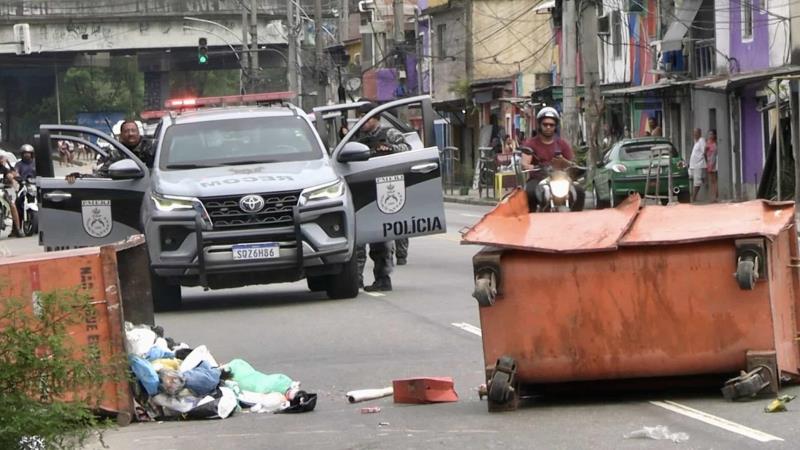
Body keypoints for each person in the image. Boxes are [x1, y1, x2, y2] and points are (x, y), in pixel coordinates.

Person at [354, 102, 411, 291]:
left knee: (382, 239)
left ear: (376, 117)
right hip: (362, 191)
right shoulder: (355, 138)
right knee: (358, 241)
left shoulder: (389, 134)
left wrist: (390, 149)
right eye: (360, 116)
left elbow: (408, 148)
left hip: (385, 190)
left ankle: (383, 279)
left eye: (366, 116)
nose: (362, 120)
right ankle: (356, 279)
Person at [520, 107, 585, 212]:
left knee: (580, 191)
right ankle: (531, 219)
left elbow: (572, 163)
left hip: (561, 178)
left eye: (551, 125)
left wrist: (565, 162)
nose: (548, 127)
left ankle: (576, 219)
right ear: (540, 125)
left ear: (555, 126)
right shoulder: (531, 143)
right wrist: (535, 166)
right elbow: (525, 164)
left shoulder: (562, 144)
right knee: (529, 192)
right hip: (539, 179)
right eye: (545, 124)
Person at [67, 119, 153, 183]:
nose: (130, 134)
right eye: (126, 131)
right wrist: (79, 176)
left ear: (138, 132)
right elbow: (102, 174)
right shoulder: (117, 153)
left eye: (133, 130)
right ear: (121, 135)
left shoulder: (152, 147)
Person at [0, 153, 23, 237]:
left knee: (13, 205)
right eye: (0, 158)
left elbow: (11, 175)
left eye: (2, 158)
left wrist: (13, 181)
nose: (1, 160)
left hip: (3, 191)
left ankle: (17, 228)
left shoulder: (4, 169)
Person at [689, 127, 707, 202]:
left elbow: (704, 151)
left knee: (697, 182)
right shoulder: (696, 142)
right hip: (693, 165)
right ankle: (692, 196)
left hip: (698, 165)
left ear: (700, 133)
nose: (695, 134)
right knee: (692, 179)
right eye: (694, 133)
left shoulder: (701, 140)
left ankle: (694, 198)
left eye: (696, 133)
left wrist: (707, 161)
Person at [705, 129, 718, 203]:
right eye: (709, 134)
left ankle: (714, 197)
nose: (710, 136)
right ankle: (713, 197)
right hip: (710, 161)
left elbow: (707, 152)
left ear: (714, 135)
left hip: (712, 162)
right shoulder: (709, 143)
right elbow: (705, 152)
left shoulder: (713, 144)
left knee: (713, 180)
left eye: (711, 134)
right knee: (712, 180)